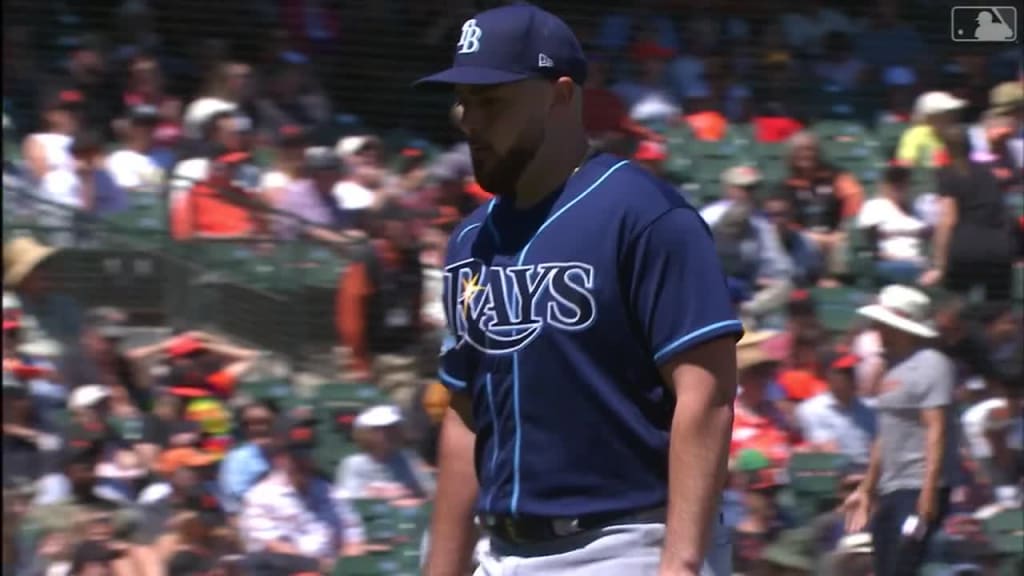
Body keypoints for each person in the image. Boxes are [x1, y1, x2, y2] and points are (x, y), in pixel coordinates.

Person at [415, 5, 742, 575]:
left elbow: (706, 394)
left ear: (560, 96)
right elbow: (466, 418)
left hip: (624, 544)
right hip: (501, 553)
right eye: (463, 98)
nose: (466, 118)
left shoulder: (642, 215)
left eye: (490, 100)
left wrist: (681, 563)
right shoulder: (470, 241)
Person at [842, 285, 958, 576]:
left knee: (902, 563)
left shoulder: (932, 364)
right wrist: (866, 489)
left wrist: (928, 490)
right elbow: (886, 435)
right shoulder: (892, 370)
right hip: (892, 487)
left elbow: (936, 429)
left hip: (918, 486)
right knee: (884, 564)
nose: (877, 330)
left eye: (883, 324)